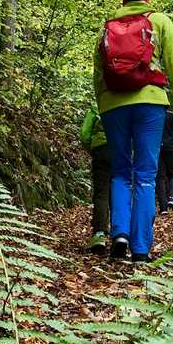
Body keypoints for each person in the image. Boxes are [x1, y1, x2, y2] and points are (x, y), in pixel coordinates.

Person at [93, 0, 173, 262]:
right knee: (145, 175)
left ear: (124, 1)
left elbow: (98, 74)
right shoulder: (159, 21)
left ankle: (119, 234)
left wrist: (104, 106)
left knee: (120, 172)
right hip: (150, 103)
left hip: (113, 105)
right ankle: (141, 249)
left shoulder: (106, 27)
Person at [79, 105, 110, 254]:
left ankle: (99, 234)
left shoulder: (96, 106)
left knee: (101, 193)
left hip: (101, 150)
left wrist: (92, 149)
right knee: (119, 192)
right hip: (120, 151)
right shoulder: (124, 104)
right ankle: (120, 234)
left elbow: (84, 134)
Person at [156, 111, 173, 213]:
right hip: (170, 148)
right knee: (172, 175)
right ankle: (172, 198)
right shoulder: (171, 116)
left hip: (157, 148)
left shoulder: (154, 114)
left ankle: (163, 207)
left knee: (160, 176)